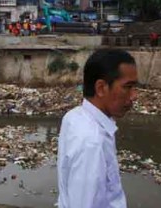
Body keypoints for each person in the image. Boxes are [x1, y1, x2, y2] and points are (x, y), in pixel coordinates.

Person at [57, 49, 138, 208]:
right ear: (101, 88)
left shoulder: (74, 116)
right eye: (127, 87)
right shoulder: (92, 142)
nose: (134, 95)